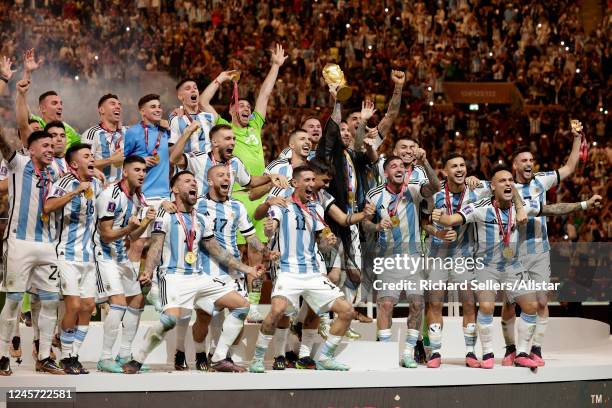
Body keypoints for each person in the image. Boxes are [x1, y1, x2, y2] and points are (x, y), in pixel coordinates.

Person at [433, 165, 602, 368]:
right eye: (502, 181)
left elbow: (552, 210)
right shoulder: (479, 207)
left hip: (513, 267)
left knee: (530, 306)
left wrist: (584, 204)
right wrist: (438, 217)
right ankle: (487, 354)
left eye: (510, 180)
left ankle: (522, 352)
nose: (508, 183)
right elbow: (451, 219)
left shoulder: (521, 207)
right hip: (486, 267)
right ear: (492, 186)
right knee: (486, 306)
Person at [122, 171, 264, 374]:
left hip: (199, 277)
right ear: (175, 189)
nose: (193, 185)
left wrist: (247, 268)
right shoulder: (166, 214)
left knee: (242, 306)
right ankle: (137, 360)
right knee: (169, 320)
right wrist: (148, 271)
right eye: (187, 181)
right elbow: (155, 246)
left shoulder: (202, 218)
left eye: (194, 182)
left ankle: (219, 358)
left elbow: (218, 252)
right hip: (172, 276)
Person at [200, 44, 288, 318]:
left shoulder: (255, 127)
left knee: (257, 255)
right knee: (233, 251)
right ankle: (228, 297)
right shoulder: (226, 129)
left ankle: (250, 304)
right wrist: (220, 80)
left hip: (258, 195)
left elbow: (265, 94)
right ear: (231, 109)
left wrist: (275, 65)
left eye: (249, 106)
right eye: (242, 105)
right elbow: (203, 103)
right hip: (234, 196)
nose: (248, 108)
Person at [248, 165, 355, 373]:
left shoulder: (316, 209)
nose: (312, 184)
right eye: (307, 180)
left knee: (347, 311)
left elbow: (321, 243)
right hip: (288, 271)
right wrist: (270, 228)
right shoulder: (282, 204)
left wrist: (328, 242)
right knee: (277, 311)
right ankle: (258, 358)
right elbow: (266, 222)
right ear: (295, 183)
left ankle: (325, 358)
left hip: (313, 273)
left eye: (313, 180)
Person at [500, 127, 582, 367]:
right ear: (514, 165)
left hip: (539, 251)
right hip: (511, 253)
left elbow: (569, 168)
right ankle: (510, 348)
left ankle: (535, 348)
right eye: (523, 160)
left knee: (542, 301)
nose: (529, 163)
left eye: (531, 160)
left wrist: (577, 138)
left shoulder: (541, 180)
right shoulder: (504, 185)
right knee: (509, 302)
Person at [191, 165, 275, 371]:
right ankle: (201, 352)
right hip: (208, 268)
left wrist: (266, 252)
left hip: (234, 271)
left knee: (240, 310)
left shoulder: (237, 206)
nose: (226, 178)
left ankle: (220, 356)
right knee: (204, 317)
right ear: (210, 181)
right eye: (221, 175)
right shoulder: (198, 204)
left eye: (228, 175)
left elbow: (250, 236)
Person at [362, 155, 439, 368]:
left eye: (402, 167)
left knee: (417, 304)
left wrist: (425, 163)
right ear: (385, 173)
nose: (399, 169)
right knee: (386, 304)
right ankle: (386, 354)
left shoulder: (414, 190)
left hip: (414, 257)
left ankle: (408, 353)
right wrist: (377, 227)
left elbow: (435, 186)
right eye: (393, 166)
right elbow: (365, 223)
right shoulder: (374, 195)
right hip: (388, 257)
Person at [0, 130, 63, 375]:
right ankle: (3, 355)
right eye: (45, 145)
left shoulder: (56, 171)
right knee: (14, 300)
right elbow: (4, 144)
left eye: (52, 145)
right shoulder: (18, 163)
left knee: (50, 302)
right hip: (19, 243)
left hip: (48, 244)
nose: (50, 148)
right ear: (32, 149)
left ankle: (45, 356)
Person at [423, 152, 491, 369]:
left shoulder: (476, 190)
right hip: (438, 256)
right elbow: (424, 222)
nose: (460, 169)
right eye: (454, 166)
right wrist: (439, 233)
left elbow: (503, 185)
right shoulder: (435, 193)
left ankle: (470, 351)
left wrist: (479, 181)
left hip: (464, 255)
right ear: (445, 171)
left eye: (463, 165)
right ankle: (435, 352)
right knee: (435, 303)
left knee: (469, 303)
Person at [44, 143, 102, 374]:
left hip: (89, 256)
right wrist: (75, 192)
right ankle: (65, 357)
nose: (92, 159)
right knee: (74, 305)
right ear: (74, 163)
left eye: (92, 156)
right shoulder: (64, 182)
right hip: (66, 254)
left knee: (88, 306)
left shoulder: (96, 184)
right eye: (86, 156)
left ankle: (74, 354)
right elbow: (48, 206)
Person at [94, 156, 156, 373]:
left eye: (144, 170)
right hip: (103, 255)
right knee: (118, 302)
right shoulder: (111, 195)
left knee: (138, 299)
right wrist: (130, 229)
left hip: (121, 255)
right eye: (137, 169)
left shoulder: (138, 197)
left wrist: (145, 222)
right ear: (125, 172)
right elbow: (106, 234)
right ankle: (104, 358)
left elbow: (133, 235)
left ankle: (124, 354)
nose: (142, 174)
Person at [170, 123, 286, 198]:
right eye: (227, 138)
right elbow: (174, 159)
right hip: (200, 216)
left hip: (224, 216)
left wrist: (269, 177)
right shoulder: (200, 159)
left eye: (234, 139)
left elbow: (250, 181)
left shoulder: (235, 162)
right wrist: (187, 133)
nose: (233, 142)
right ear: (214, 142)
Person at [123, 94, 171, 262]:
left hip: (165, 195)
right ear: (142, 111)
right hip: (143, 194)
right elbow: (122, 161)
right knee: (137, 243)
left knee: (161, 243)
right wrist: (140, 161)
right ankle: (131, 286)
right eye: (152, 106)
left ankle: (156, 284)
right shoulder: (132, 132)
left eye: (159, 106)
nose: (158, 109)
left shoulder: (165, 131)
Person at [20, 49, 80, 146]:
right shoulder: (36, 125)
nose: (60, 106)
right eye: (54, 103)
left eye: (61, 103)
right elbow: (21, 106)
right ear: (42, 109)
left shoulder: (71, 132)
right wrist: (27, 73)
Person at [82, 94, 127, 184]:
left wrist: (159, 122)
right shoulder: (92, 134)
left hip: (122, 191)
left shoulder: (126, 132)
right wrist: (111, 160)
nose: (118, 106)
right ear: (102, 110)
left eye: (119, 104)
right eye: (113, 104)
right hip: (102, 190)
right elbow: (84, 164)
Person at [169, 79, 215, 153]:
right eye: (188, 88)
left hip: (210, 163)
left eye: (195, 88)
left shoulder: (210, 117)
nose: (193, 90)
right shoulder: (176, 119)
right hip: (189, 162)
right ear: (180, 97)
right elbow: (171, 150)